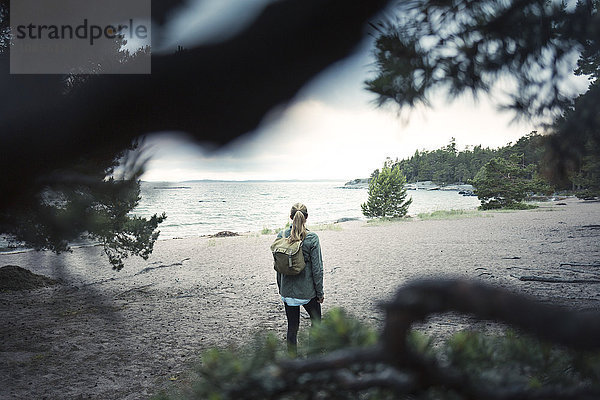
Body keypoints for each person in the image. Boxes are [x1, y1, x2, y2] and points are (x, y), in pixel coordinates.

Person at [276, 203, 324, 356]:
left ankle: (292, 359)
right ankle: (312, 356)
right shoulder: (311, 238)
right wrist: (320, 292)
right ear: (306, 218)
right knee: (316, 322)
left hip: (287, 292)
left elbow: (278, 267)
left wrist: (281, 288)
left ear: (290, 217)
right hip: (307, 292)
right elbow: (317, 269)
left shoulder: (281, 235)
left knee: (292, 327)